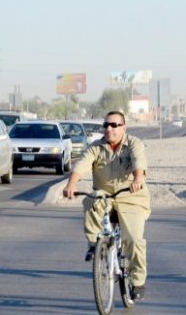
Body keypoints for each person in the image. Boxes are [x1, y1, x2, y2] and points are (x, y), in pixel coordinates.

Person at [63, 111, 151, 300]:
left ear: (124, 127)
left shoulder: (134, 144)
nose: (109, 129)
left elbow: (139, 162)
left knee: (134, 240)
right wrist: (71, 184)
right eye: (106, 125)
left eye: (114, 125)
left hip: (131, 196)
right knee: (91, 198)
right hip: (106, 196)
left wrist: (137, 179)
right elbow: (82, 165)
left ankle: (137, 281)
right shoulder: (96, 147)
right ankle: (94, 243)